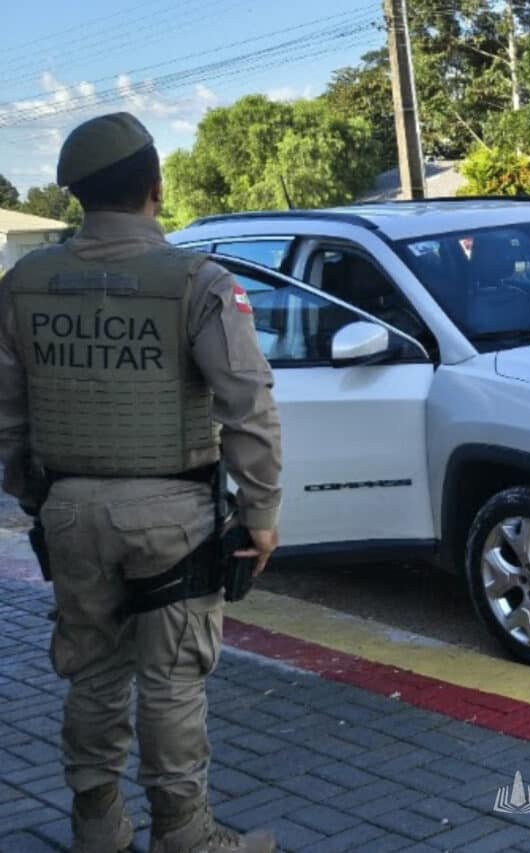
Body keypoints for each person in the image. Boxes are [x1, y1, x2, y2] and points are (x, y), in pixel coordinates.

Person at [0, 112, 283, 851]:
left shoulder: (23, 283)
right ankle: (186, 834)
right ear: (156, 189)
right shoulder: (197, 280)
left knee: (91, 673)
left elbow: (7, 414)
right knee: (171, 680)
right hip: (173, 515)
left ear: (78, 196)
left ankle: (97, 827)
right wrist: (261, 511)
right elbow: (247, 401)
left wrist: (39, 496)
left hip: (67, 509)